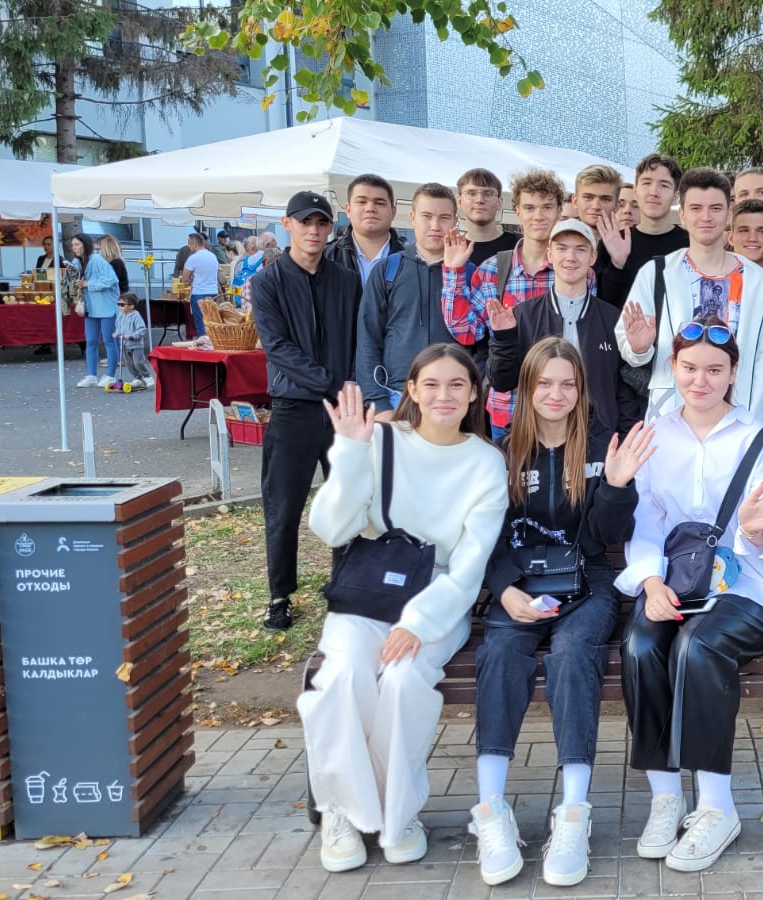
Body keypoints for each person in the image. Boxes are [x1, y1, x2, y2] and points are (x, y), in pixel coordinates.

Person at [302, 345, 508, 874]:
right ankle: (343, 811)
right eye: (431, 384)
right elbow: (331, 529)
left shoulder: (486, 462)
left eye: (457, 384)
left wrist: (418, 623)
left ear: (474, 393)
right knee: (343, 677)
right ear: (411, 389)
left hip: (438, 601)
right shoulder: (381, 441)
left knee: (402, 679)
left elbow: (469, 567)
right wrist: (350, 452)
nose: (444, 395)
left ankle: (398, 814)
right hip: (370, 594)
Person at [617, 318, 763, 873]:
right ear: (672, 368)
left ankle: (717, 807)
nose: (700, 381)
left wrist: (751, 529)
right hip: (674, 582)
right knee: (640, 645)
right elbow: (645, 522)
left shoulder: (757, 439)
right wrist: (650, 582)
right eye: (690, 368)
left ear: (733, 374)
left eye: (714, 370)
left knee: (697, 647)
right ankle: (666, 799)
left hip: (751, 588)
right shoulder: (655, 435)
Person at [468, 339, 654, 888]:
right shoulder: (503, 452)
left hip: (586, 582)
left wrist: (616, 485)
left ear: (581, 389)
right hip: (520, 583)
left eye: (567, 383)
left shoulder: (601, 445)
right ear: (527, 388)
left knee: (573, 652)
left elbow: (604, 536)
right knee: (502, 650)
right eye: (544, 383)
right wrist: (504, 589)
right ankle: (491, 809)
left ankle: (573, 813)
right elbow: (487, 534)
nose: (556, 394)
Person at [249, 190, 364, 633]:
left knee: (348, 499)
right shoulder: (267, 281)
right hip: (293, 408)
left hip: (342, 410)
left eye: (321, 223)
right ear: (287, 224)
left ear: (331, 227)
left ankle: (345, 584)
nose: (313, 231)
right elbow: (277, 347)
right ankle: (279, 595)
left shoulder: (346, 280)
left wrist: (350, 388)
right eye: (305, 222)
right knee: (283, 506)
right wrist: (333, 382)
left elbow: (359, 339)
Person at [615, 166, 763, 422]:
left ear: (729, 214)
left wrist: (752, 425)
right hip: (671, 418)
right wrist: (639, 348)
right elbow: (628, 346)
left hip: (736, 419)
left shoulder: (759, 282)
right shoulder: (656, 273)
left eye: (715, 208)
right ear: (681, 215)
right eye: (696, 208)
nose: (706, 217)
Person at [442, 168, 568, 436]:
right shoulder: (493, 269)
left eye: (547, 207)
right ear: (517, 211)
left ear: (560, 211)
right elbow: (467, 331)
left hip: (561, 406)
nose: (538, 216)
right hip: (508, 406)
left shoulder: (574, 270)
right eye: (530, 207)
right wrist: (454, 273)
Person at [487, 220, 642, 437]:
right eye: (562, 248)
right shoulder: (523, 315)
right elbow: (502, 381)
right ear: (550, 255)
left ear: (593, 257)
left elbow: (623, 390)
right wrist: (504, 338)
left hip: (598, 439)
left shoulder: (613, 319)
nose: (570, 257)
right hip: (540, 439)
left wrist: (625, 437)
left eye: (580, 249)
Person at [357, 183, 460, 413]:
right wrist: (377, 403)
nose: (435, 226)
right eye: (427, 216)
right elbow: (368, 338)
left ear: (455, 220)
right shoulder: (388, 270)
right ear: (412, 218)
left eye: (444, 217)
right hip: (396, 395)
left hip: (452, 397)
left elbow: (481, 343)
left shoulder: (468, 273)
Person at [596, 154, 687, 309]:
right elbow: (603, 306)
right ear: (635, 191)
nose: (654, 192)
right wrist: (617, 266)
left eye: (664, 185)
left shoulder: (690, 245)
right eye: (646, 183)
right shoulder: (613, 242)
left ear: (676, 196)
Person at [325, 174, 405, 285]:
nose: (370, 208)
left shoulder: (411, 262)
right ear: (348, 210)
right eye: (362, 202)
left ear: (393, 212)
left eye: (379, 203)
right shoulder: (326, 257)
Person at [70, 233, 121, 389]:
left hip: (106, 306)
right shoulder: (77, 262)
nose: (74, 248)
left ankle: (111, 375)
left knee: (109, 340)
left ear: (85, 245)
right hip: (91, 307)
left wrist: (88, 284)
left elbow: (111, 280)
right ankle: (91, 375)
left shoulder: (97, 259)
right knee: (91, 341)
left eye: (77, 244)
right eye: (73, 245)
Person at [456, 168, 519, 268]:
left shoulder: (520, 246)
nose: (479, 200)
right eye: (471, 193)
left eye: (488, 194)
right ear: (459, 201)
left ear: (499, 202)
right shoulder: (450, 250)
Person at [571, 164, 623, 286]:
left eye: (605, 199)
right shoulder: (557, 245)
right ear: (575, 201)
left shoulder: (626, 247)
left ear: (617, 205)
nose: (596, 206)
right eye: (588, 197)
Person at [181, 232, 221, 338]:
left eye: (189, 243)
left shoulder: (193, 258)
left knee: (200, 322)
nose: (188, 246)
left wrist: (190, 280)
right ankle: (213, 342)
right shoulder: (213, 256)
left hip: (199, 292)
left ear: (194, 244)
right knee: (211, 321)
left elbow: (185, 279)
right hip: (213, 292)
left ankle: (203, 342)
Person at [727, 198, 763, 275]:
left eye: (762, 231)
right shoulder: (712, 280)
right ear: (731, 238)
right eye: (744, 231)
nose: (752, 238)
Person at [112, 293, 152, 390]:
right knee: (129, 364)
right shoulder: (120, 316)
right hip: (124, 344)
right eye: (118, 304)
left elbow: (142, 329)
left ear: (131, 306)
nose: (120, 307)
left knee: (138, 362)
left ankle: (147, 376)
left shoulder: (136, 316)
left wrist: (133, 336)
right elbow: (118, 327)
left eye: (122, 305)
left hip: (136, 345)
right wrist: (117, 333)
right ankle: (138, 378)